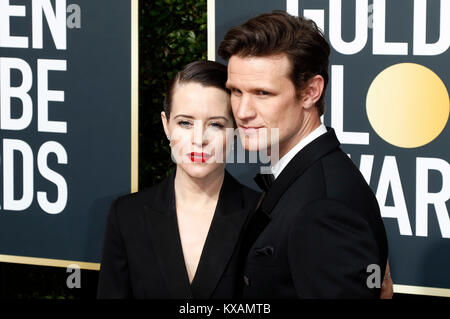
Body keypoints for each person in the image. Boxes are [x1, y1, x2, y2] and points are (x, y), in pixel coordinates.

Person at [218, 11, 390, 298]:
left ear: (311, 92)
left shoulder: (324, 206)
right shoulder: (301, 176)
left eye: (262, 93)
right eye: (236, 91)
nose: (243, 112)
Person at [97, 61, 260, 298]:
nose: (198, 138)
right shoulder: (127, 215)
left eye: (215, 124)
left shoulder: (262, 215)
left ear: (235, 131)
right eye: (185, 122)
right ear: (166, 125)